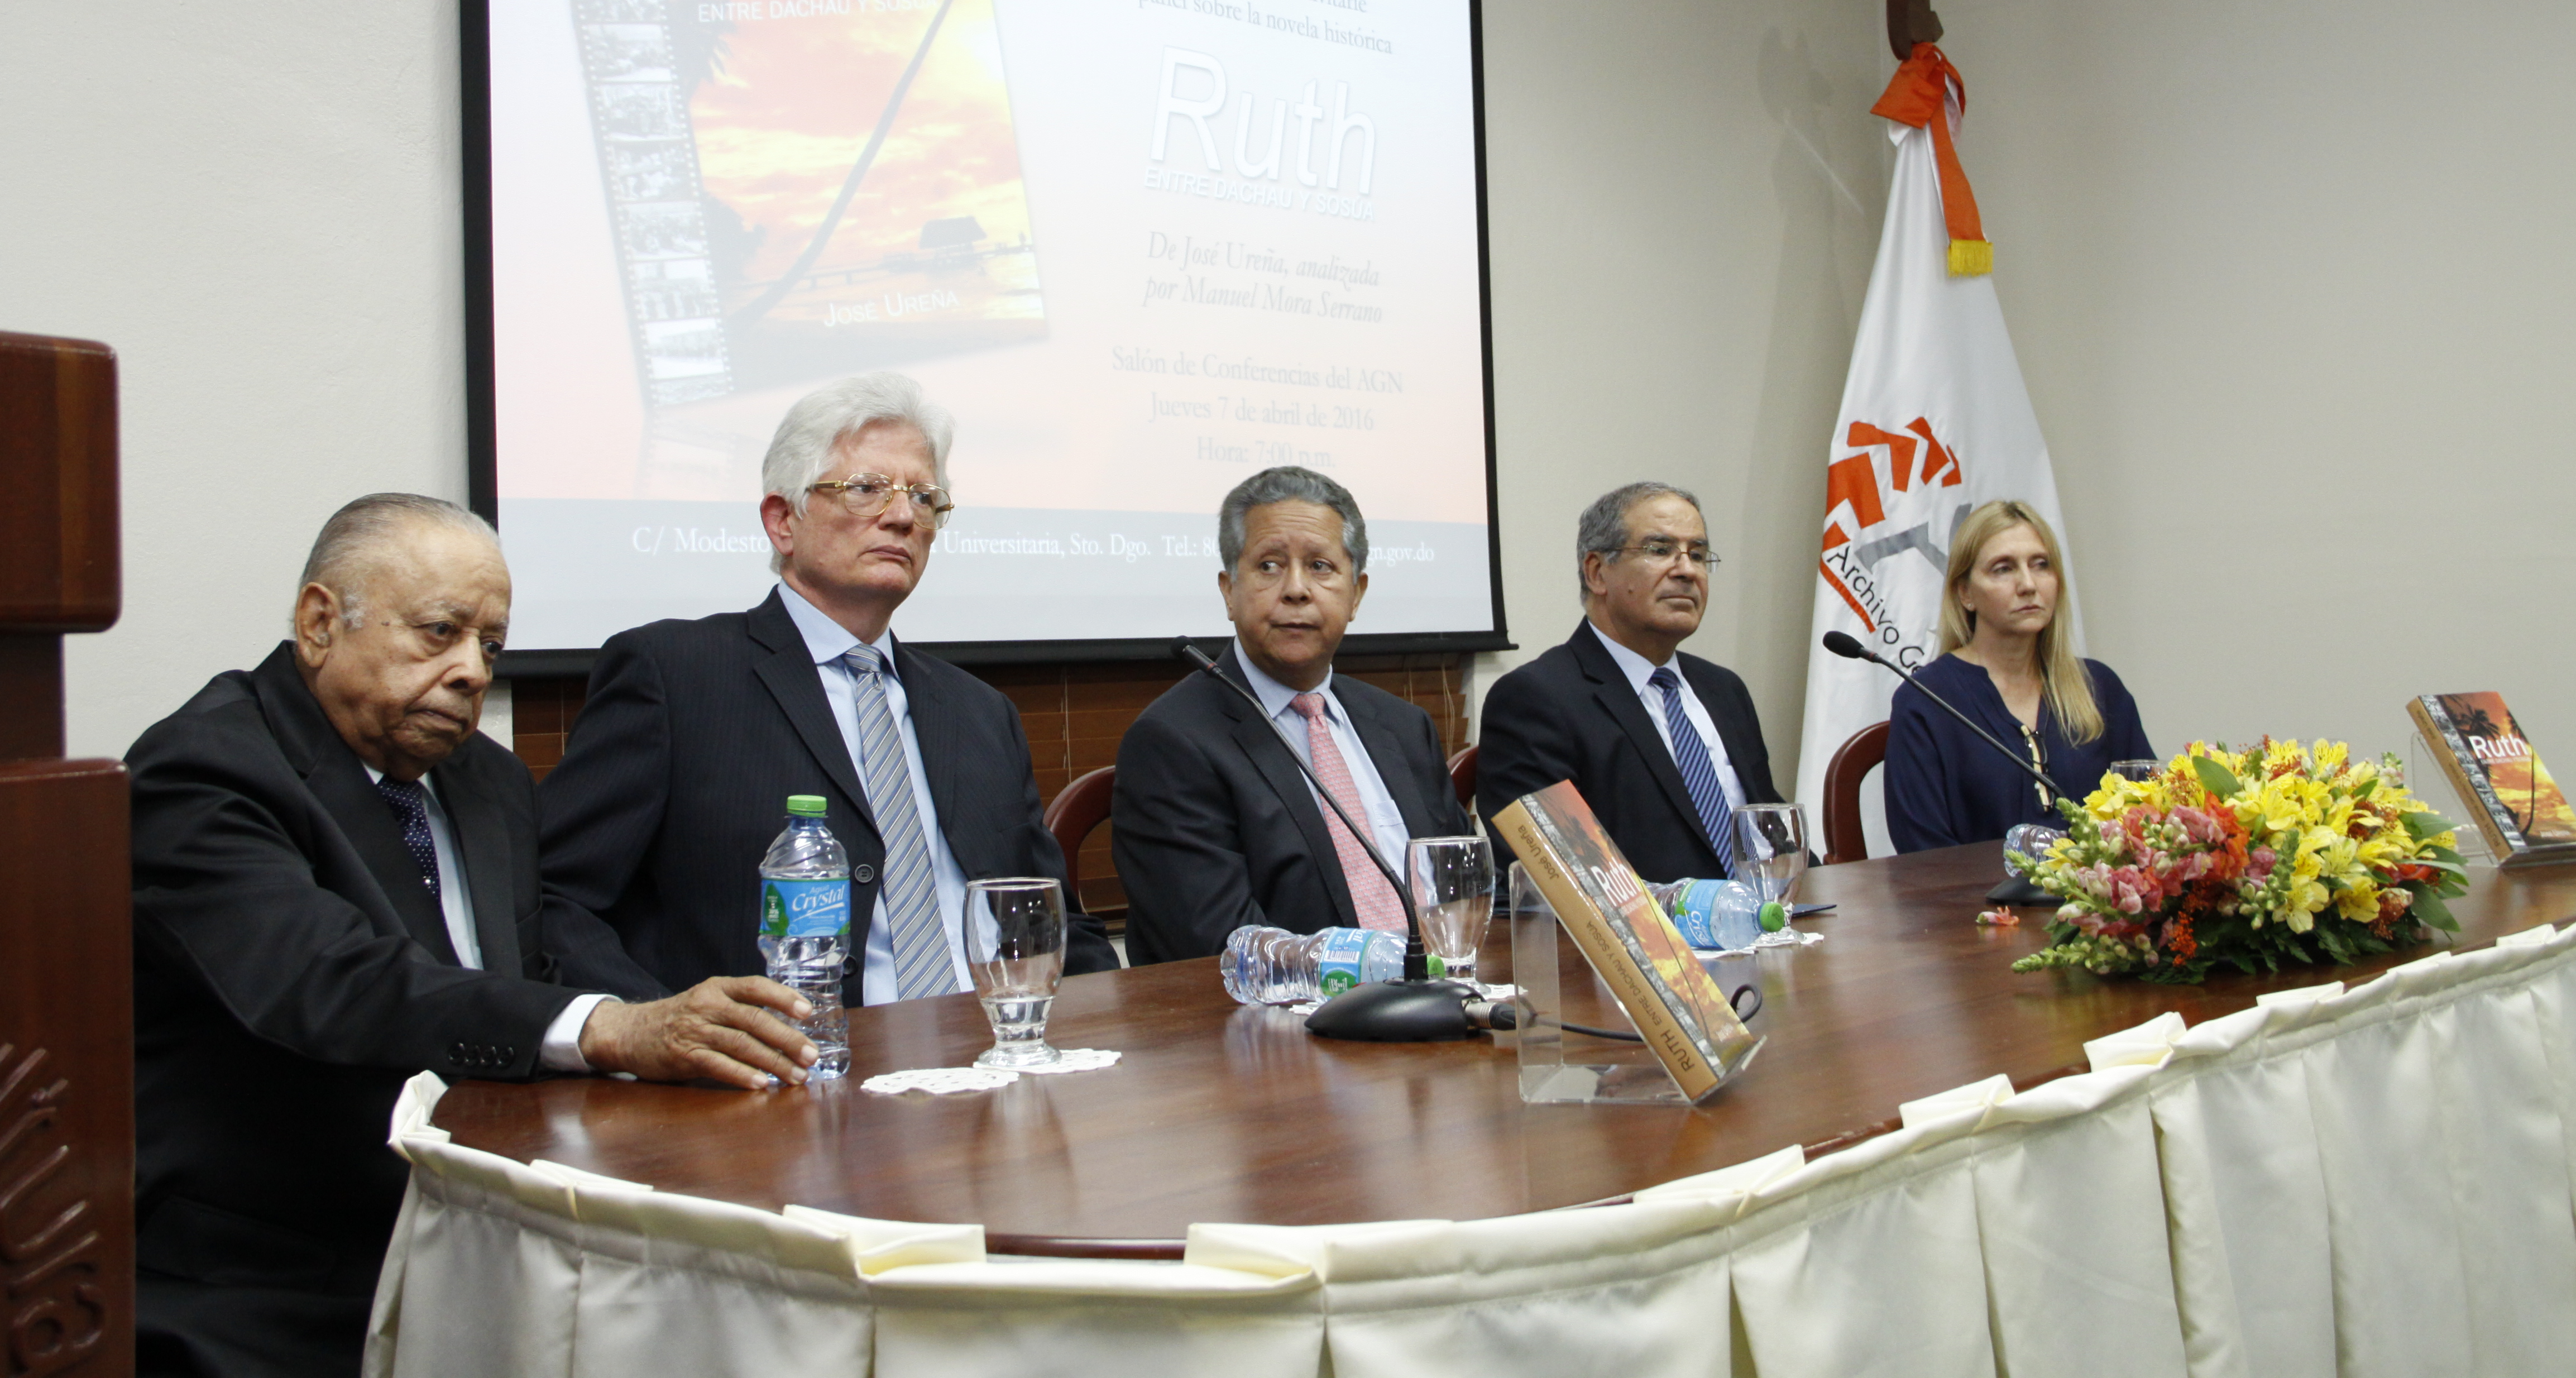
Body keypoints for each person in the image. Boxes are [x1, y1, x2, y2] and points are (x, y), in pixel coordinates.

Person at [128, 495, 817, 1378]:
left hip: (490, 1240)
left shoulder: (487, 781)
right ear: (318, 623)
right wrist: (610, 1025)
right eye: (440, 632)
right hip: (281, 1271)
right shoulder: (203, 771)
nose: (470, 672)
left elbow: (524, 972)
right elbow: (334, 982)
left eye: (489, 647)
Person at [539, 371, 1115, 1007]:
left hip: (999, 1058)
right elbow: (555, 900)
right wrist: (651, 1031)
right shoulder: (673, 676)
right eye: (866, 489)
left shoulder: (980, 713)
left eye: (925, 498)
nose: (902, 516)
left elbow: (1048, 918)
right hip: (788, 1073)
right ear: (783, 521)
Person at [1112, 467, 1472, 965]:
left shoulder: (1404, 728)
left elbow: (1464, 896)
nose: (1297, 590)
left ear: (1357, 594)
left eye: (1321, 566)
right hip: (1287, 1031)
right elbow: (1219, 947)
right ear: (1228, 591)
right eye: (1269, 566)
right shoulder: (1173, 743)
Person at [1474, 481, 1785, 882]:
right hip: (1655, 936)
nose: (1687, 571)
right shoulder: (1537, 699)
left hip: (1771, 922)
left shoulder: (1723, 690)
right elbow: (1561, 874)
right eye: (1660, 551)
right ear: (1597, 572)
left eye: (1698, 555)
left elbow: (1774, 834)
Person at [1883, 499, 2152, 853]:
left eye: (2041, 565)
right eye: (2003, 569)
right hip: (1975, 906)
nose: (2028, 584)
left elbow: (2149, 813)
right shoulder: (1926, 701)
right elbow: (1922, 853)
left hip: (2098, 901)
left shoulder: (2100, 688)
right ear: (1965, 593)